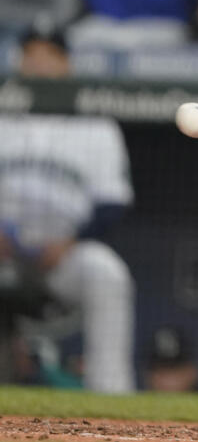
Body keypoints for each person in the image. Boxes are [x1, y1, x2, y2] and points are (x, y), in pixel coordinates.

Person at [0, 25, 135, 393]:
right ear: (19, 62)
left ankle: (111, 398)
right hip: (3, 250)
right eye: (32, 54)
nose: (40, 63)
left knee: (107, 273)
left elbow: (112, 203)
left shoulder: (94, 122)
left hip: (64, 254)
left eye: (50, 55)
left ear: (67, 65)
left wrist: (70, 241)